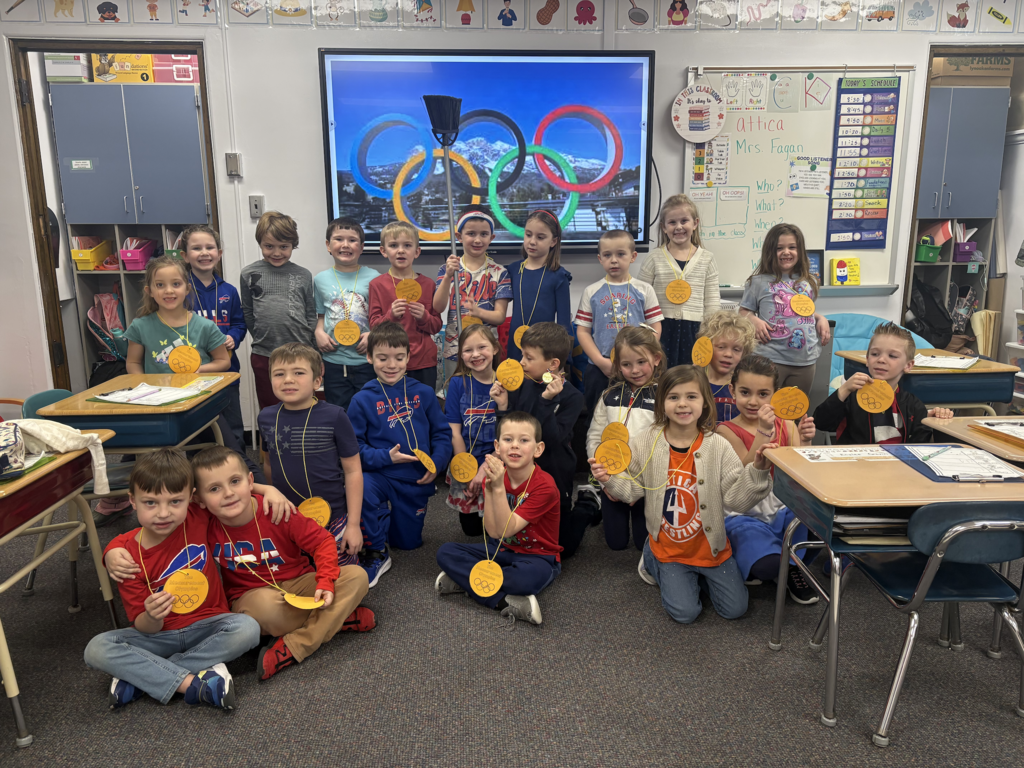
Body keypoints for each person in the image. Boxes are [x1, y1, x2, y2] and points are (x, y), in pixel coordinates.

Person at [591, 365, 774, 624]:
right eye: (673, 397)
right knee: (686, 613)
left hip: (711, 549)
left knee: (735, 609)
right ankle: (652, 559)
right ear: (661, 402)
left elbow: (735, 500)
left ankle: (692, 577)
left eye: (691, 396)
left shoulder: (718, 445)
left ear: (705, 402)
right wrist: (608, 479)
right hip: (669, 550)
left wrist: (757, 471)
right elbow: (632, 490)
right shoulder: (646, 442)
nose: (682, 404)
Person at [84, 450, 260, 710]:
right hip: (158, 637)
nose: (163, 513)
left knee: (248, 628)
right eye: (151, 503)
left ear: (191, 498)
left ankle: (145, 676)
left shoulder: (197, 517)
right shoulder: (127, 557)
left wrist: (269, 491)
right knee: (97, 648)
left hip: (209, 626)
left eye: (175, 501)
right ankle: (194, 682)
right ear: (132, 500)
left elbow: (236, 495)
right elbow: (144, 628)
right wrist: (152, 616)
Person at [193, 446, 373, 680]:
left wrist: (326, 581)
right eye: (214, 489)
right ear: (200, 499)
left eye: (235, 481)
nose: (228, 493)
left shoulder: (276, 509)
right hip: (253, 597)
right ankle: (337, 618)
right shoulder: (203, 520)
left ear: (249, 481)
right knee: (261, 612)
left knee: (358, 577)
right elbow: (167, 511)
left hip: (299, 583)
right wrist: (126, 548)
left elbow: (322, 542)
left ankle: (297, 645)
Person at [435, 412, 561, 626]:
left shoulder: (544, 486)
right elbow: (493, 533)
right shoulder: (492, 478)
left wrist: (499, 487)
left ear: (538, 449)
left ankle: (468, 581)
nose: (514, 446)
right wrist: (495, 484)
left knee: (525, 580)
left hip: (538, 557)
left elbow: (506, 529)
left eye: (524, 440)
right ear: (497, 446)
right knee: (445, 552)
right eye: (508, 440)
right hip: (501, 550)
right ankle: (501, 600)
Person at [347, 322, 453, 570]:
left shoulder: (425, 393)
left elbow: (442, 434)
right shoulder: (361, 400)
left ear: (408, 357)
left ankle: (389, 520)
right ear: (369, 357)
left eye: (398, 358)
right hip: (380, 474)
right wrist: (386, 457)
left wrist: (437, 464)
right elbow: (354, 449)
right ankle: (374, 547)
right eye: (382, 358)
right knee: (360, 487)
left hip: (416, 479)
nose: (391, 365)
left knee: (408, 544)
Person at [716, 354, 819, 604]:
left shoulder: (787, 425)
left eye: (763, 394)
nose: (753, 402)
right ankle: (784, 563)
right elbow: (747, 470)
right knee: (767, 566)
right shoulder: (724, 431)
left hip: (783, 507)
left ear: (776, 394)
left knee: (820, 527)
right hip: (745, 513)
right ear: (732, 390)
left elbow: (801, 470)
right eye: (745, 392)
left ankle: (791, 567)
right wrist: (763, 431)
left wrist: (805, 440)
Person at [257, 343, 365, 579]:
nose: (288, 380)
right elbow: (268, 464)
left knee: (342, 577)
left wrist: (354, 525)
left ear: (317, 381)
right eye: (279, 374)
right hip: (288, 516)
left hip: (333, 516)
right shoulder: (266, 417)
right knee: (295, 576)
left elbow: (353, 471)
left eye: (298, 372)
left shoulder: (335, 415)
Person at [490, 322, 590, 558]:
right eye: (522, 355)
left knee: (563, 549)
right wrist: (503, 406)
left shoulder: (572, 397)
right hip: (521, 472)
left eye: (528, 357)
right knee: (517, 531)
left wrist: (546, 401)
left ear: (553, 364)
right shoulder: (523, 384)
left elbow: (551, 440)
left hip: (555, 470)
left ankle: (587, 506)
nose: (521, 362)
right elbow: (511, 429)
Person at [586, 326, 664, 552]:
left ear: (656, 358)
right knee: (616, 544)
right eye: (626, 364)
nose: (635, 370)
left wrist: (641, 488)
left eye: (641, 362)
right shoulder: (608, 396)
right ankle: (595, 502)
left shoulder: (664, 397)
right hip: (612, 478)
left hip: (646, 482)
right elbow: (594, 437)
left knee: (644, 544)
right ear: (618, 364)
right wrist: (606, 481)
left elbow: (665, 445)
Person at [813, 321, 954, 444]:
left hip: (896, 467)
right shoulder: (852, 396)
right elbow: (821, 423)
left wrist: (934, 421)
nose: (881, 360)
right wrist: (844, 390)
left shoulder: (912, 404)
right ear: (867, 359)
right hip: (856, 466)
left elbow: (920, 443)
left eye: (892, 356)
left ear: (908, 365)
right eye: (875, 354)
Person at [575, 229, 664, 416]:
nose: (613, 260)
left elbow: (655, 326)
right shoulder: (592, 291)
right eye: (607, 255)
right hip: (600, 369)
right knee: (597, 414)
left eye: (620, 254)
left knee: (637, 413)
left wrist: (644, 356)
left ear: (633, 256)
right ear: (600, 259)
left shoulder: (644, 290)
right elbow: (583, 331)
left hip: (636, 367)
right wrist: (601, 361)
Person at [739, 223, 831, 395]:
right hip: (770, 358)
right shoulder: (758, 282)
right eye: (779, 248)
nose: (786, 252)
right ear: (769, 251)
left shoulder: (808, 281)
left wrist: (821, 318)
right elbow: (743, 311)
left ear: (800, 251)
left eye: (792, 247)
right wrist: (754, 320)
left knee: (793, 413)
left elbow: (803, 312)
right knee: (765, 411)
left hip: (805, 361)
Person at [241, 211, 316, 410]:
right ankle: (272, 442)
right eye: (269, 246)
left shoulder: (303, 274)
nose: (276, 253)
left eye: (284, 247)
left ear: (293, 245)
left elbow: (310, 313)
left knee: (304, 408)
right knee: (270, 409)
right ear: (260, 243)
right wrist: (260, 338)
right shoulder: (249, 273)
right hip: (264, 353)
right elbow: (248, 312)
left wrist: (313, 350)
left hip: (302, 353)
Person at [181, 224, 247, 445]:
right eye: (196, 248)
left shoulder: (229, 290)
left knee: (233, 425)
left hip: (227, 370)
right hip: (193, 371)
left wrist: (234, 337)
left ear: (219, 254)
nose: (204, 253)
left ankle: (237, 467)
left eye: (210, 247)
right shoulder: (180, 291)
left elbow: (239, 323)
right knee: (195, 430)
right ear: (185, 255)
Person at [638, 194, 720, 368]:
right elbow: (640, 297)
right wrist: (645, 333)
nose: (679, 227)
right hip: (660, 329)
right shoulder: (654, 258)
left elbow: (712, 303)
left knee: (690, 377)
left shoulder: (707, 259)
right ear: (664, 227)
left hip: (695, 332)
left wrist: (710, 335)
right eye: (672, 222)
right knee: (661, 377)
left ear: (695, 223)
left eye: (684, 221)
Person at [314, 218, 380, 411]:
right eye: (338, 239)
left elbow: (380, 317)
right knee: (339, 412)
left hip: (366, 359)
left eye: (352, 240)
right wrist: (318, 332)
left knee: (369, 411)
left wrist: (373, 335)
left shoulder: (375, 277)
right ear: (328, 245)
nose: (345, 245)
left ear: (362, 247)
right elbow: (320, 314)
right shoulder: (320, 279)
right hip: (334, 360)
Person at [125, 255, 230, 376]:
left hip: (198, 391)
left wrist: (200, 369)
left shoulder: (206, 326)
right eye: (160, 285)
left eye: (176, 284)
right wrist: (143, 386)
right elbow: (133, 363)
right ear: (150, 291)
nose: (169, 290)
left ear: (187, 289)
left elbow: (223, 361)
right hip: (158, 393)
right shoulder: (139, 327)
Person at [368, 220, 442, 391]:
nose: (400, 250)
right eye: (393, 245)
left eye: (407, 245)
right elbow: (374, 327)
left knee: (423, 406)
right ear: (383, 251)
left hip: (423, 361)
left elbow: (436, 326)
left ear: (416, 252)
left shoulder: (428, 284)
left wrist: (424, 317)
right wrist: (390, 316)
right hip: (391, 362)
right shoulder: (377, 285)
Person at [433, 206, 511, 366]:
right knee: (455, 389)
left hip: (487, 350)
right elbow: (438, 307)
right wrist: (448, 276)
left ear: (492, 237)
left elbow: (500, 316)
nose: (477, 240)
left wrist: (478, 312)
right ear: (459, 236)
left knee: (487, 389)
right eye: (471, 233)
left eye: (484, 234)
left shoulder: (500, 272)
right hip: (454, 349)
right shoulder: (447, 269)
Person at [444, 325, 501, 536]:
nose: (475, 354)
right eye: (468, 350)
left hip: (498, 460)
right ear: (461, 354)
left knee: (496, 528)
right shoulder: (458, 383)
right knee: (471, 531)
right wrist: (468, 471)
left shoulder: (508, 384)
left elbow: (509, 438)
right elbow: (454, 432)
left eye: (482, 347)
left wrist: (484, 471)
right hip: (466, 459)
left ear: (495, 349)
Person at [505, 210, 573, 363]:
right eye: (528, 235)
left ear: (553, 241)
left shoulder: (559, 276)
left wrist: (563, 362)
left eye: (540, 237)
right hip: (516, 346)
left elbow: (563, 324)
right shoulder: (513, 271)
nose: (532, 241)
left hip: (544, 351)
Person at [698, 311, 756, 424]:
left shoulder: (745, 386)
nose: (728, 354)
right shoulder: (694, 380)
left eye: (736, 349)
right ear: (707, 346)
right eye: (721, 347)